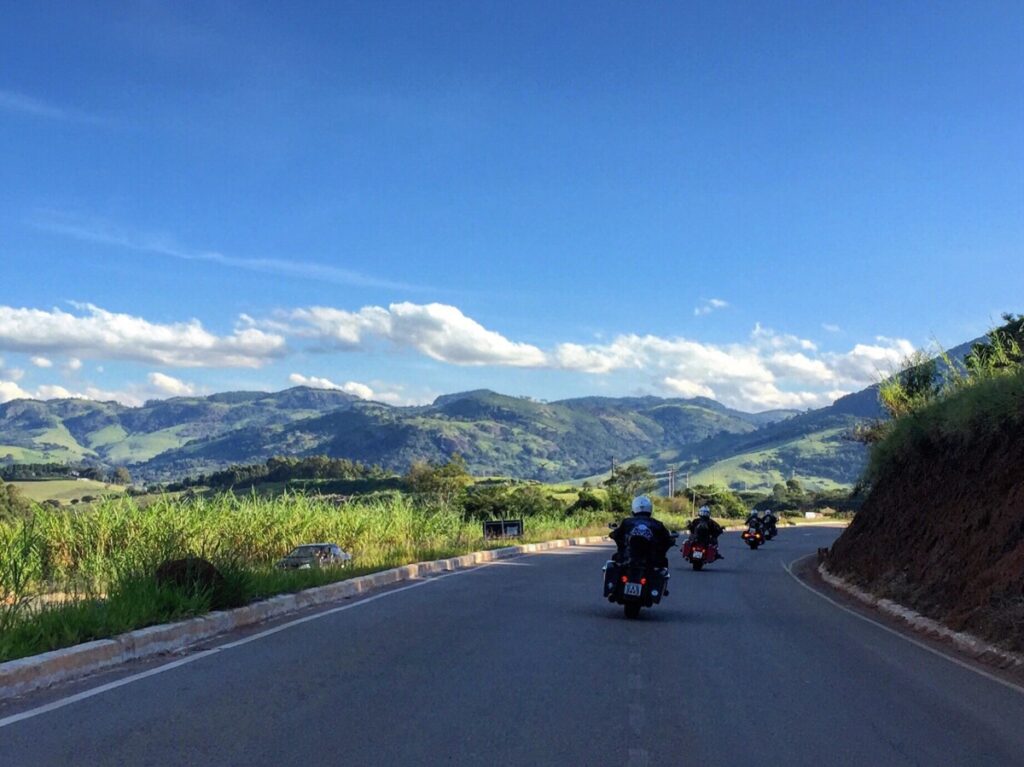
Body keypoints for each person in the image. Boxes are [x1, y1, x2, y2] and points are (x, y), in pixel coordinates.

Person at [609, 495, 675, 568]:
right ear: (650, 509)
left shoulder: (627, 522)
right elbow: (667, 539)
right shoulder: (657, 524)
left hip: (628, 559)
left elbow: (616, 534)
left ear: (634, 508)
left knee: (613, 562)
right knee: (663, 564)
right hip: (652, 560)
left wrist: (613, 535)